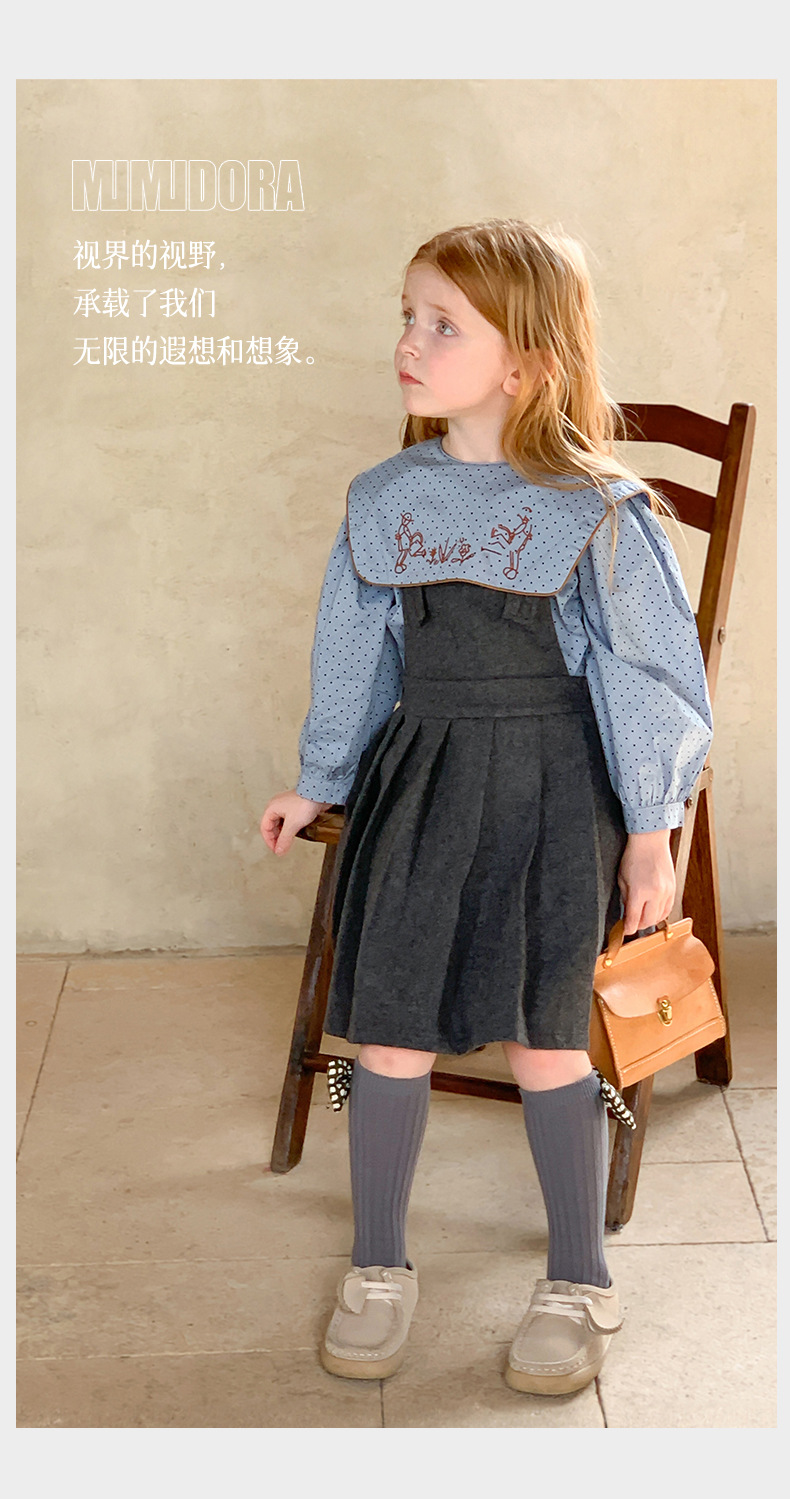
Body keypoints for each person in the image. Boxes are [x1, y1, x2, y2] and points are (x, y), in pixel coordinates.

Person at [259, 219, 713, 1397]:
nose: (408, 343)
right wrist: (319, 777)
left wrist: (651, 829)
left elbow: (644, 676)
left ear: (527, 362)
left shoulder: (598, 508)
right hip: (420, 778)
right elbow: (354, 654)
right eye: (406, 317)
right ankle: (377, 1260)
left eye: (443, 325)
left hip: (555, 790)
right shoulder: (383, 499)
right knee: (389, 1030)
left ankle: (580, 1274)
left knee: (546, 1038)